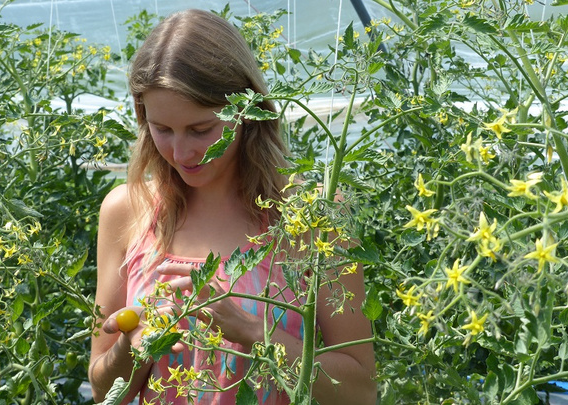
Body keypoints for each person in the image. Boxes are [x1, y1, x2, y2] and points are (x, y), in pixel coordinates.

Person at [88, 8, 376, 405]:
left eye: (200, 129)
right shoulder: (126, 210)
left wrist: (253, 331)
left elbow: (360, 392)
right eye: (162, 129)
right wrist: (133, 347)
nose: (181, 152)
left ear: (247, 112)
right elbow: (104, 392)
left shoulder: (311, 216)